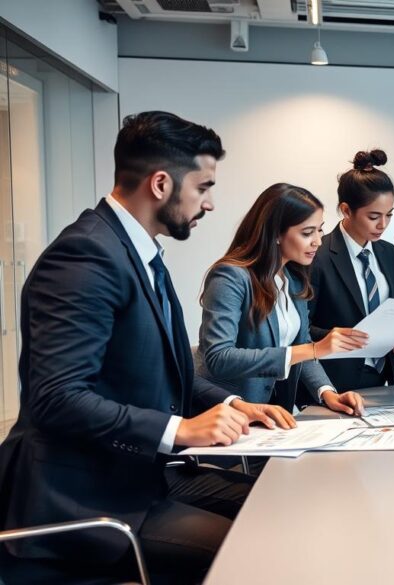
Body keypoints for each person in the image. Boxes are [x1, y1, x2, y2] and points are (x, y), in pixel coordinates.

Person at [0, 111, 294, 583]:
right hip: (84, 499)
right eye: (203, 187)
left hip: (140, 476)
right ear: (161, 184)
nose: (211, 203)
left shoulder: (139, 252)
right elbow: (56, 399)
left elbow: (165, 371)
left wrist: (235, 404)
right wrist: (181, 429)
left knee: (280, 505)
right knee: (262, 554)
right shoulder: (86, 256)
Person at [196, 183, 365, 415]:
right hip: (226, 412)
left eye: (320, 230)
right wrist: (315, 349)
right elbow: (219, 357)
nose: (317, 241)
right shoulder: (230, 276)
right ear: (275, 233)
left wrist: (328, 393)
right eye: (307, 233)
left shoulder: (294, 278)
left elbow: (301, 345)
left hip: (274, 412)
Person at [308, 149, 394, 391]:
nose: (383, 225)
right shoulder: (318, 255)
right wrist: (334, 337)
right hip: (332, 383)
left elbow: (393, 313)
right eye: (374, 216)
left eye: (389, 215)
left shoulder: (389, 253)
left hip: (383, 377)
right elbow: (300, 328)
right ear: (346, 210)